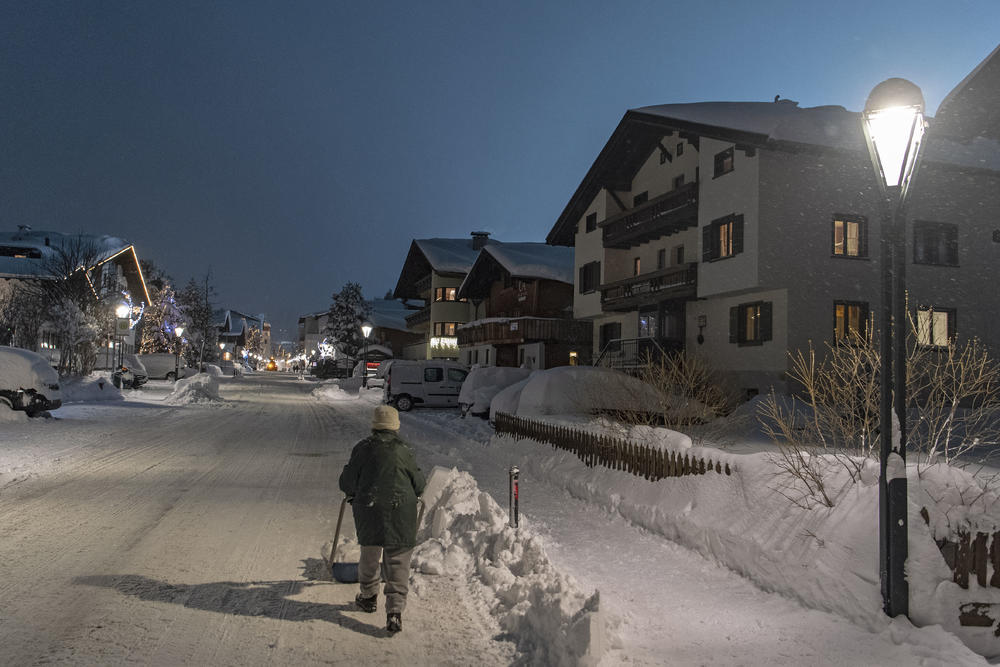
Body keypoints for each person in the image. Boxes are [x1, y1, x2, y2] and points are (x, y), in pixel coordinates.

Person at [339, 405, 425, 633]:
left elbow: (347, 481)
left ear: (374, 426)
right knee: (398, 560)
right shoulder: (404, 450)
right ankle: (395, 612)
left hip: (370, 508)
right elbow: (419, 484)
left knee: (370, 553)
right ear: (395, 426)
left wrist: (353, 490)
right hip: (401, 509)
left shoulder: (362, 448)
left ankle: (368, 597)